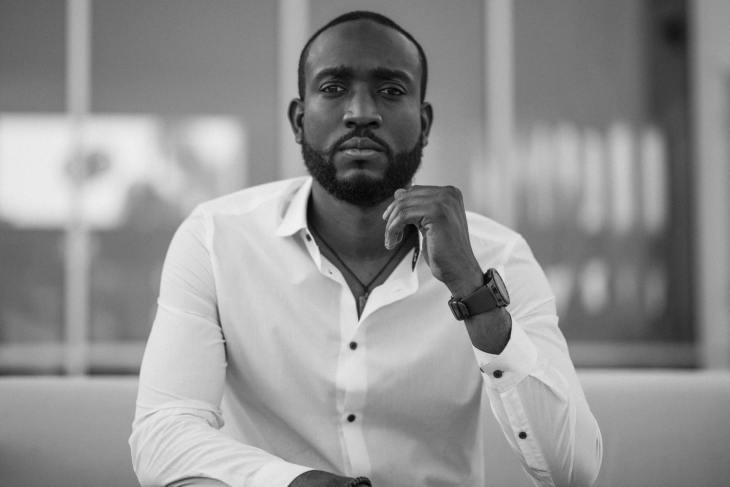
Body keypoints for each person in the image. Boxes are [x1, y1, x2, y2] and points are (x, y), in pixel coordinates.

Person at [130, 10, 602, 487]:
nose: (360, 112)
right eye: (333, 87)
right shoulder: (216, 239)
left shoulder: (498, 256)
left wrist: (473, 290)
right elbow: (163, 435)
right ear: (299, 120)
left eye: (391, 90)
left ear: (424, 123)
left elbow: (573, 472)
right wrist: (294, 483)